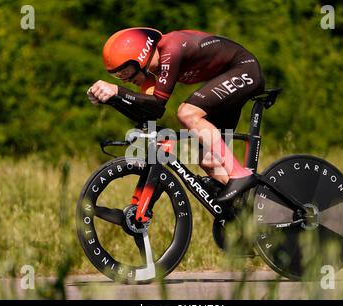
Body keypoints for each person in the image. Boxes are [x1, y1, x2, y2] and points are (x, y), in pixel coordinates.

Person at [87, 27, 265, 202]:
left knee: (187, 113)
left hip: (244, 68)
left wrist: (117, 90)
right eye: (118, 76)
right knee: (208, 160)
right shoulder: (150, 71)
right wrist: (111, 99)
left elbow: (157, 105)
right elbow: (148, 111)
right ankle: (249, 210)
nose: (125, 79)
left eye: (124, 72)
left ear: (140, 57)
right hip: (225, 80)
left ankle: (240, 175)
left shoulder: (172, 49)